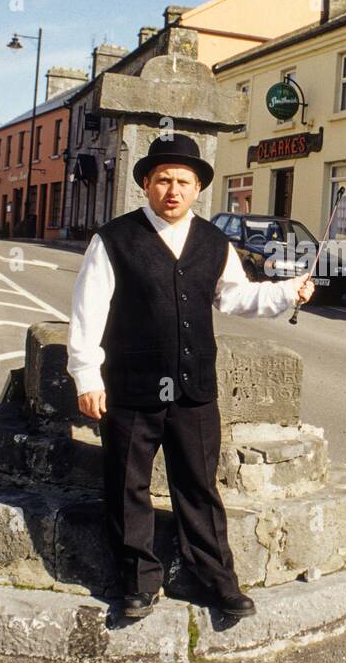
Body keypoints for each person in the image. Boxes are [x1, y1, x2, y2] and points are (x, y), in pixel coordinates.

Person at [66, 132, 316, 619]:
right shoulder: (113, 239)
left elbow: (237, 297)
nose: (173, 190)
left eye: (183, 181)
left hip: (194, 389)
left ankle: (217, 581)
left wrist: (287, 292)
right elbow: (87, 311)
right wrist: (87, 376)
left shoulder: (213, 242)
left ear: (198, 188)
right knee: (127, 486)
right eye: (163, 180)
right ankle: (137, 582)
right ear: (146, 184)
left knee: (199, 487)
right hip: (131, 387)